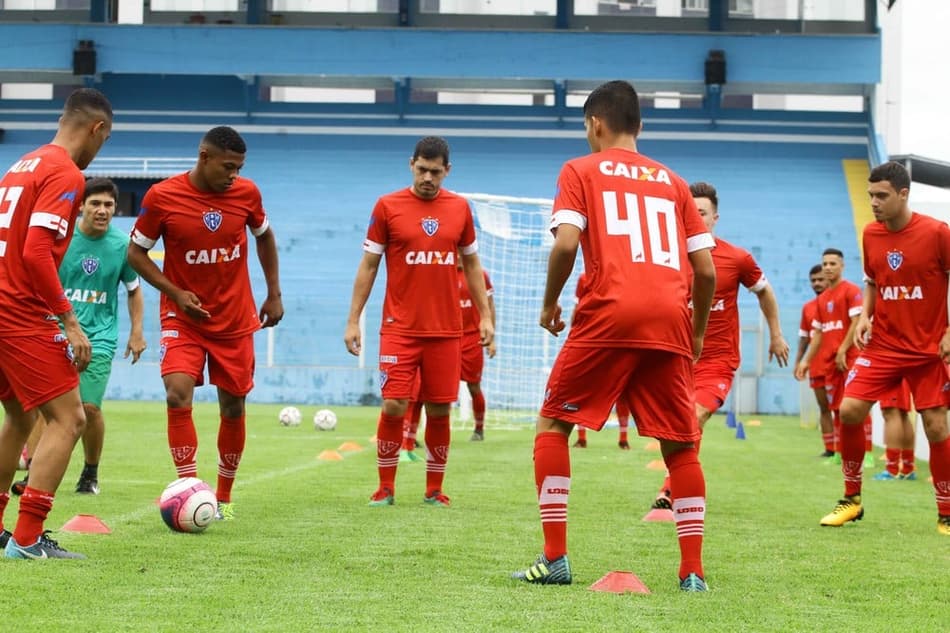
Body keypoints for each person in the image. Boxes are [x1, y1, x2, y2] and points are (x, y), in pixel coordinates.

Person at [510, 80, 716, 591]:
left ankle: (555, 559)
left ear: (595, 124)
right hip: (670, 317)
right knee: (681, 445)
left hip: (608, 312)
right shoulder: (673, 181)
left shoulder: (579, 170)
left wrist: (550, 301)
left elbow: (565, 245)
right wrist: (695, 333)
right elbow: (706, 271)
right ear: (639, 125)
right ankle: (692, 573)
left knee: (553, 425)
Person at [127, 126, 284, 521]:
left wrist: (274, 292)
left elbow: (265, 237)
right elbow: (135, 253)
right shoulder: (162, 197)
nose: (234, 175)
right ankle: (190, 490)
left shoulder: (247, 194)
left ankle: (225, 498)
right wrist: (175, 292)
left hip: (233, 319)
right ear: (204, 156)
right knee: (177, 392)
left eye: (239, 168)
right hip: (184, 317)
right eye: (228, 166)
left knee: (233, 406)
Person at [344, 136, 493, 508]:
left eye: (436, 171)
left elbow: (472, 266)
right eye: (422, 169)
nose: (428, 177)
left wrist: (485, 317)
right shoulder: (387, 206)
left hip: (446, 331)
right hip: (399, 328)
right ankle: (385, 487)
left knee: (440, 408)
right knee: (394, 405)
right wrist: (353, 320)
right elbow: (368, 265)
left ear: (447, 170)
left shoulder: (459, 209)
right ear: (411, 164)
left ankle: (433, 489)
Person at [0, 87, 113, 559]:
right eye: (103, 141)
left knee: (19, 416)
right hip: (22, 312)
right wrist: (69, 320)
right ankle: (27, 538)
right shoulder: (63, 172)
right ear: (97, 129)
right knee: (70, 418)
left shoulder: (22, 164)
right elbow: (35, 250)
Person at [818, 161, 950, 534]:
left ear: (903, 194)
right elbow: (874, 280)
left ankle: (946, 513)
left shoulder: (937, 232)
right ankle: (852, 499)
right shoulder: (871, 234)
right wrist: (865, 317)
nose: (874, 202)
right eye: (870, 196)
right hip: (883, 346)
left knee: (937, 427)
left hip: (926, 350)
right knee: (850, 410)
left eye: (882, 196)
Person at [648, 181, 789, 511]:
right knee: (675, 428)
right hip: (676, 360)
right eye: (690, 213)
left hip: (717, 360)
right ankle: (679, 483)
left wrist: (777, 334)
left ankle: (672, 489)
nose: (695, 219)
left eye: (702, 213)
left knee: (693, 418)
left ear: (715, 218)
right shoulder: (666, 258)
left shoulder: (736, 258)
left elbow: (765, 292)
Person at [10, 178, 146, 497]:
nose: (102, 210)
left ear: (116, 209)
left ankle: (90, 471)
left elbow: (134, 290)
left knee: (90, 408)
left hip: (99, 337)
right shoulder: (62, 240)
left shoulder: (121, 246)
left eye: (109, 205)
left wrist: (137, 331)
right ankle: (34, 477)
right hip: (55, 331)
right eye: (95, 203)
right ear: (81, 205)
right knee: (47, 407)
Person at [794, 248, 872, 468]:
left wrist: (842, 350)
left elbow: (856, 321)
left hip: (850, 359)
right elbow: (817, 333)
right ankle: (840, 452)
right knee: (837, 407)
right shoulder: (822, 299)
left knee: (856, 406)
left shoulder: (851, 291)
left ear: (842, 266)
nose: (828, 268)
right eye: (825, 263)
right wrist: (806, 360)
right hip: (830, 362)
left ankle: (867, 454)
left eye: (832, 264)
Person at [794, 264, 833, 457]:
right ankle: (830, 449)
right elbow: (804, 337)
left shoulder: (841, 300)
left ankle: (846, 449)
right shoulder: (808, 308)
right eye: (813, 280)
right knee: (824, 407)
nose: (817, 283)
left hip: (837, 364)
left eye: (820, 279)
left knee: (843, 409)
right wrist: (798, 361)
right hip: (817, 365)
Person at [873, 381, 916, 481]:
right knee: (902, 413)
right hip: (903, 371)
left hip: (893, 370)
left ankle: (892, 469)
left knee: (891, 412)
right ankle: (907, 468)